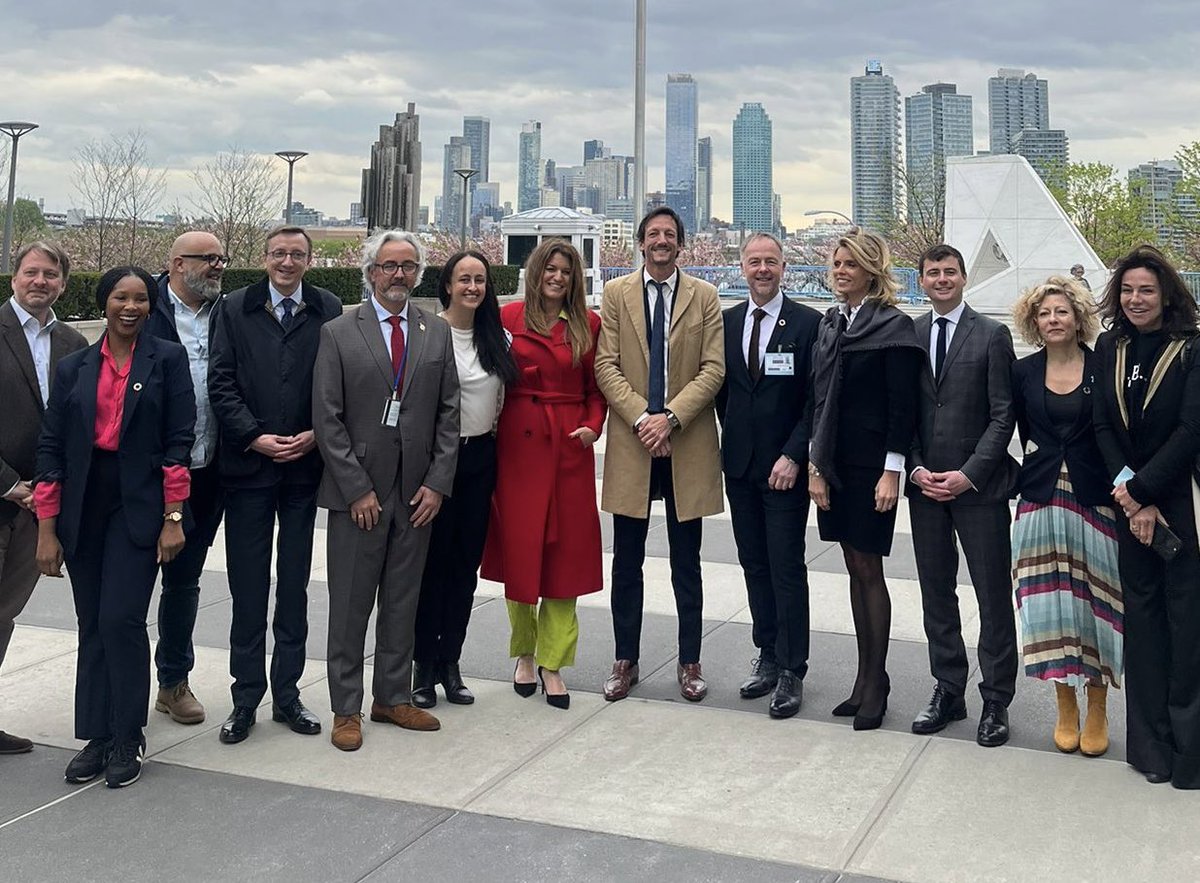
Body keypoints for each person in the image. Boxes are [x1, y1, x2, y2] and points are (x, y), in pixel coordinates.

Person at [35, 266, 195, 788]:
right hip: (85, 502)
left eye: (141, 299)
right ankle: (98, 735)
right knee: (91, 623)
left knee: (122, 619)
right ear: (104, 303)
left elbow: (179, 441)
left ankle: (129, 735)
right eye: (121, 298)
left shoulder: (167, 360)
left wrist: (172, 518)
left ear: (151, 307)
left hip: (140, 502)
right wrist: (47, 528)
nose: (131, 307)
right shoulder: (74, 367)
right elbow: (51, 449)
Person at [313, 230, 459, 751]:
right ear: (371, 271)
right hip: (360, 498)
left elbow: (449, 414)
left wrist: (438, 484)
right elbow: (327, 419)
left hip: (416, 495)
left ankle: (392, 696)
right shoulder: (337, 333)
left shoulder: (434, 332)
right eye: (390, 265)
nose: (399, 274)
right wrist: (356, 489)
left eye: (409, 266)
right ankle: (346, 708)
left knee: (403, 600)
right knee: (350, 605)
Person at [208, 226, 342, 744]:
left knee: (293, 586)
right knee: (247, 588)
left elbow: (336, 381)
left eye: (297, 254)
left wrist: (316, 432)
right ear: (264, 259)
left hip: (304, 470)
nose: (287, 262)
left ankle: (287, 695)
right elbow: (220, 381)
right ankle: (245, 699)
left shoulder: (327, 307)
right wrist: (254, 436)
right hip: (248, 469)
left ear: (310, 261)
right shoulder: (235, 307)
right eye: (279, 253)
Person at [595, 206, 724, 703]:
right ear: (641, 244)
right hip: (633, 445)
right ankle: (624, 657)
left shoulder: (705, 296)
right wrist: (643, 421)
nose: (662, 240)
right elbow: (606, 365)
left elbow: (713, 370)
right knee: (627, 561)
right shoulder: (615, 294)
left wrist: (669, 418)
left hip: (685, 443)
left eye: (670, 234)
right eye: (653, 234)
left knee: (685, 562)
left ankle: (689, 660)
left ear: (681, 243)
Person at [481, 240, 606, 710]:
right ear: (535, 273)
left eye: (566, 272)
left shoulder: (588, 324)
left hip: (569, 448)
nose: (557, 277)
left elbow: (597, 389)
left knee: (566, 559)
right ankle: (525, 654)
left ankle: (554, 662)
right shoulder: (507, 319)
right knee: (522, 552)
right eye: (550, 269)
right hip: (518, 449)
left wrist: (592, 427)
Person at [1093, 244, 1200, 789]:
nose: (1136, 299)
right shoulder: (1109, 346)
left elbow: (1190, 431)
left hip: (1181, 506)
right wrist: (1129, 495)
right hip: (1128, 506)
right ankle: (1151, 750)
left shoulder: (1190, 349)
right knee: (1143, 628)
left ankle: (1189, 756)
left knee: (1186, 629)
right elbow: (1103, 427)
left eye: (1147, 290)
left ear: (1166, 295)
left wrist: (1146, 491)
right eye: (1128, 290)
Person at [808, 228, 922, 731]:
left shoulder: (893, 326)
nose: (840, 271)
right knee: (853, 569)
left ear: (872, 271)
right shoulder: (833, 324)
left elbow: (903, 408)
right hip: (835, 463)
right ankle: (862, 679)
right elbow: (819, 400)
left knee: (870, 572)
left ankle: (877, 682)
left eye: (851, 264)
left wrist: (891, 472)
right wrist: (816, 464)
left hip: (873, 468)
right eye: (836, 263)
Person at [907, 243, 1019, 748]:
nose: (942, 279)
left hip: (979, 490)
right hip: (926, 488)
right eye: (933, 273)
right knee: (936, 591)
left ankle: (996, 698)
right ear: (922, 280)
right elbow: (901, 411)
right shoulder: (909, 333)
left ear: (963, 277)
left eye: (950, 272)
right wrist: (914, 469)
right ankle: (948, 688)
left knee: (992, 595)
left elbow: (1004, 414)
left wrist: (970, 473)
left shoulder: (992, 335)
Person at [1010, 276, 1121, 756]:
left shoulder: (1105, 366)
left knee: (1098, 598)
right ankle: (1065, 701)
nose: (1053, 320)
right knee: (1046, 599)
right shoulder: (1023, 371)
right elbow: (1010, 427)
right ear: (1034, 323)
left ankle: (1097, 702)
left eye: (1061, 312)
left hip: (1094, 496)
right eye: (1044, 314)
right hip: (1039, 495)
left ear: (1077, 317)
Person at [715, 232, 821, 719]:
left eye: (771, 262)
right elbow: (724, 392)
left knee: (785, 566)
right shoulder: (727, 321)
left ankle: (792, 668)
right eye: (754, 262)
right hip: (739, 467)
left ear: (784, 267)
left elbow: (814, 400)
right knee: (753, 564)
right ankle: (768, 655)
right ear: (742, 268)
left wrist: (795, 454)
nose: (763, 270)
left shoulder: (808, 324)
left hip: (785, 469)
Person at [412, 251, 516, 709]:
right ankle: (422, 666)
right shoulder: (428, 335)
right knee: (430, 568)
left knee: (463, 570)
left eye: (480, 280)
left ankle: (450, 664)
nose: (472, 287)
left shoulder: (499, 339)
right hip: (436, 463)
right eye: (463, 279)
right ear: (447, 285)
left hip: (480, 460)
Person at [0, 242, 87, 755]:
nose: (40, 281)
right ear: (14, 276)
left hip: (38, 510)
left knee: (4, 615)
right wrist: (11, 485)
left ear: (62, 283)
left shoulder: (74, 342)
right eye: (31, 271)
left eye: (50, 274)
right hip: (6, 494)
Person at [143, 231, 228, 725]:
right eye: (207, 258)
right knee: (133, 583)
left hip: (209, 471)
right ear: (177, 263)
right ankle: (121, 686)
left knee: (184, 582)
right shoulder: (142, 308)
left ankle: (173, 682)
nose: (218, 266)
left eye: (222, 258)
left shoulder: (227, 315)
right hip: (148, 474)